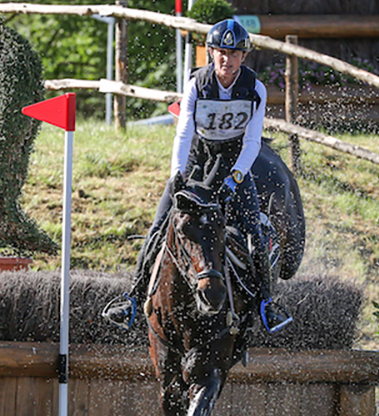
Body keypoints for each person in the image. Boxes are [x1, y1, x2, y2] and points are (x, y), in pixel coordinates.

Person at [102, 18, 292, 334]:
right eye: (220, 52)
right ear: (210, 52)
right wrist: (177, 174)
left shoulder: (254, 89)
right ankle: (133, 299)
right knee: (159, 226)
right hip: (197, 162)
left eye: (233, 53)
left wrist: (236, 178)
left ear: (243, 57)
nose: (226, 60)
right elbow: (184, 132)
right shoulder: (197, 84)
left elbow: (252, 142)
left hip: (234, 164)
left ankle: (267, 303)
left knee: (255, 233)